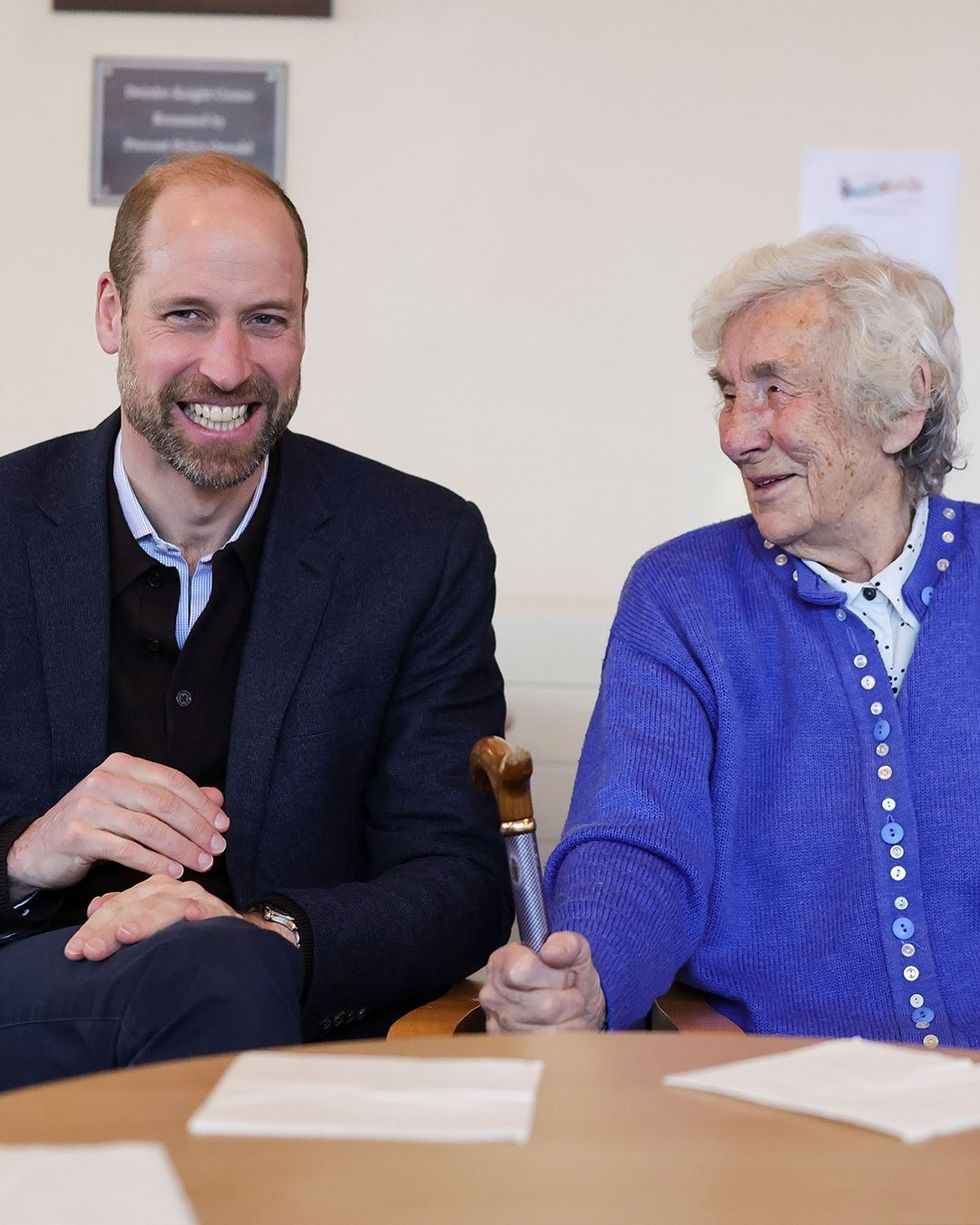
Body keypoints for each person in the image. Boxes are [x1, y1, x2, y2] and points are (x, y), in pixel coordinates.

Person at [0, 153, 511, 1090]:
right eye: (186, 314)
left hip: (282, 1013)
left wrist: (266, 933)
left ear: (305, 322)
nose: (228, 366)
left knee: (217, 965)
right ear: (112, 311)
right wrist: (30, 853)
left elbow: (458, 877)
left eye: (265, 319)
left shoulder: (419, 547)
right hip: (25, 1004)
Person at [481, 229, 978, 1048]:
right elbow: (637, 839)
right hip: (775, 1101)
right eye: (728, 392)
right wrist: (589, 973)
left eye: (774, 389)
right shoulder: (682, 596)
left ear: (901, 407)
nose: (735, 434)